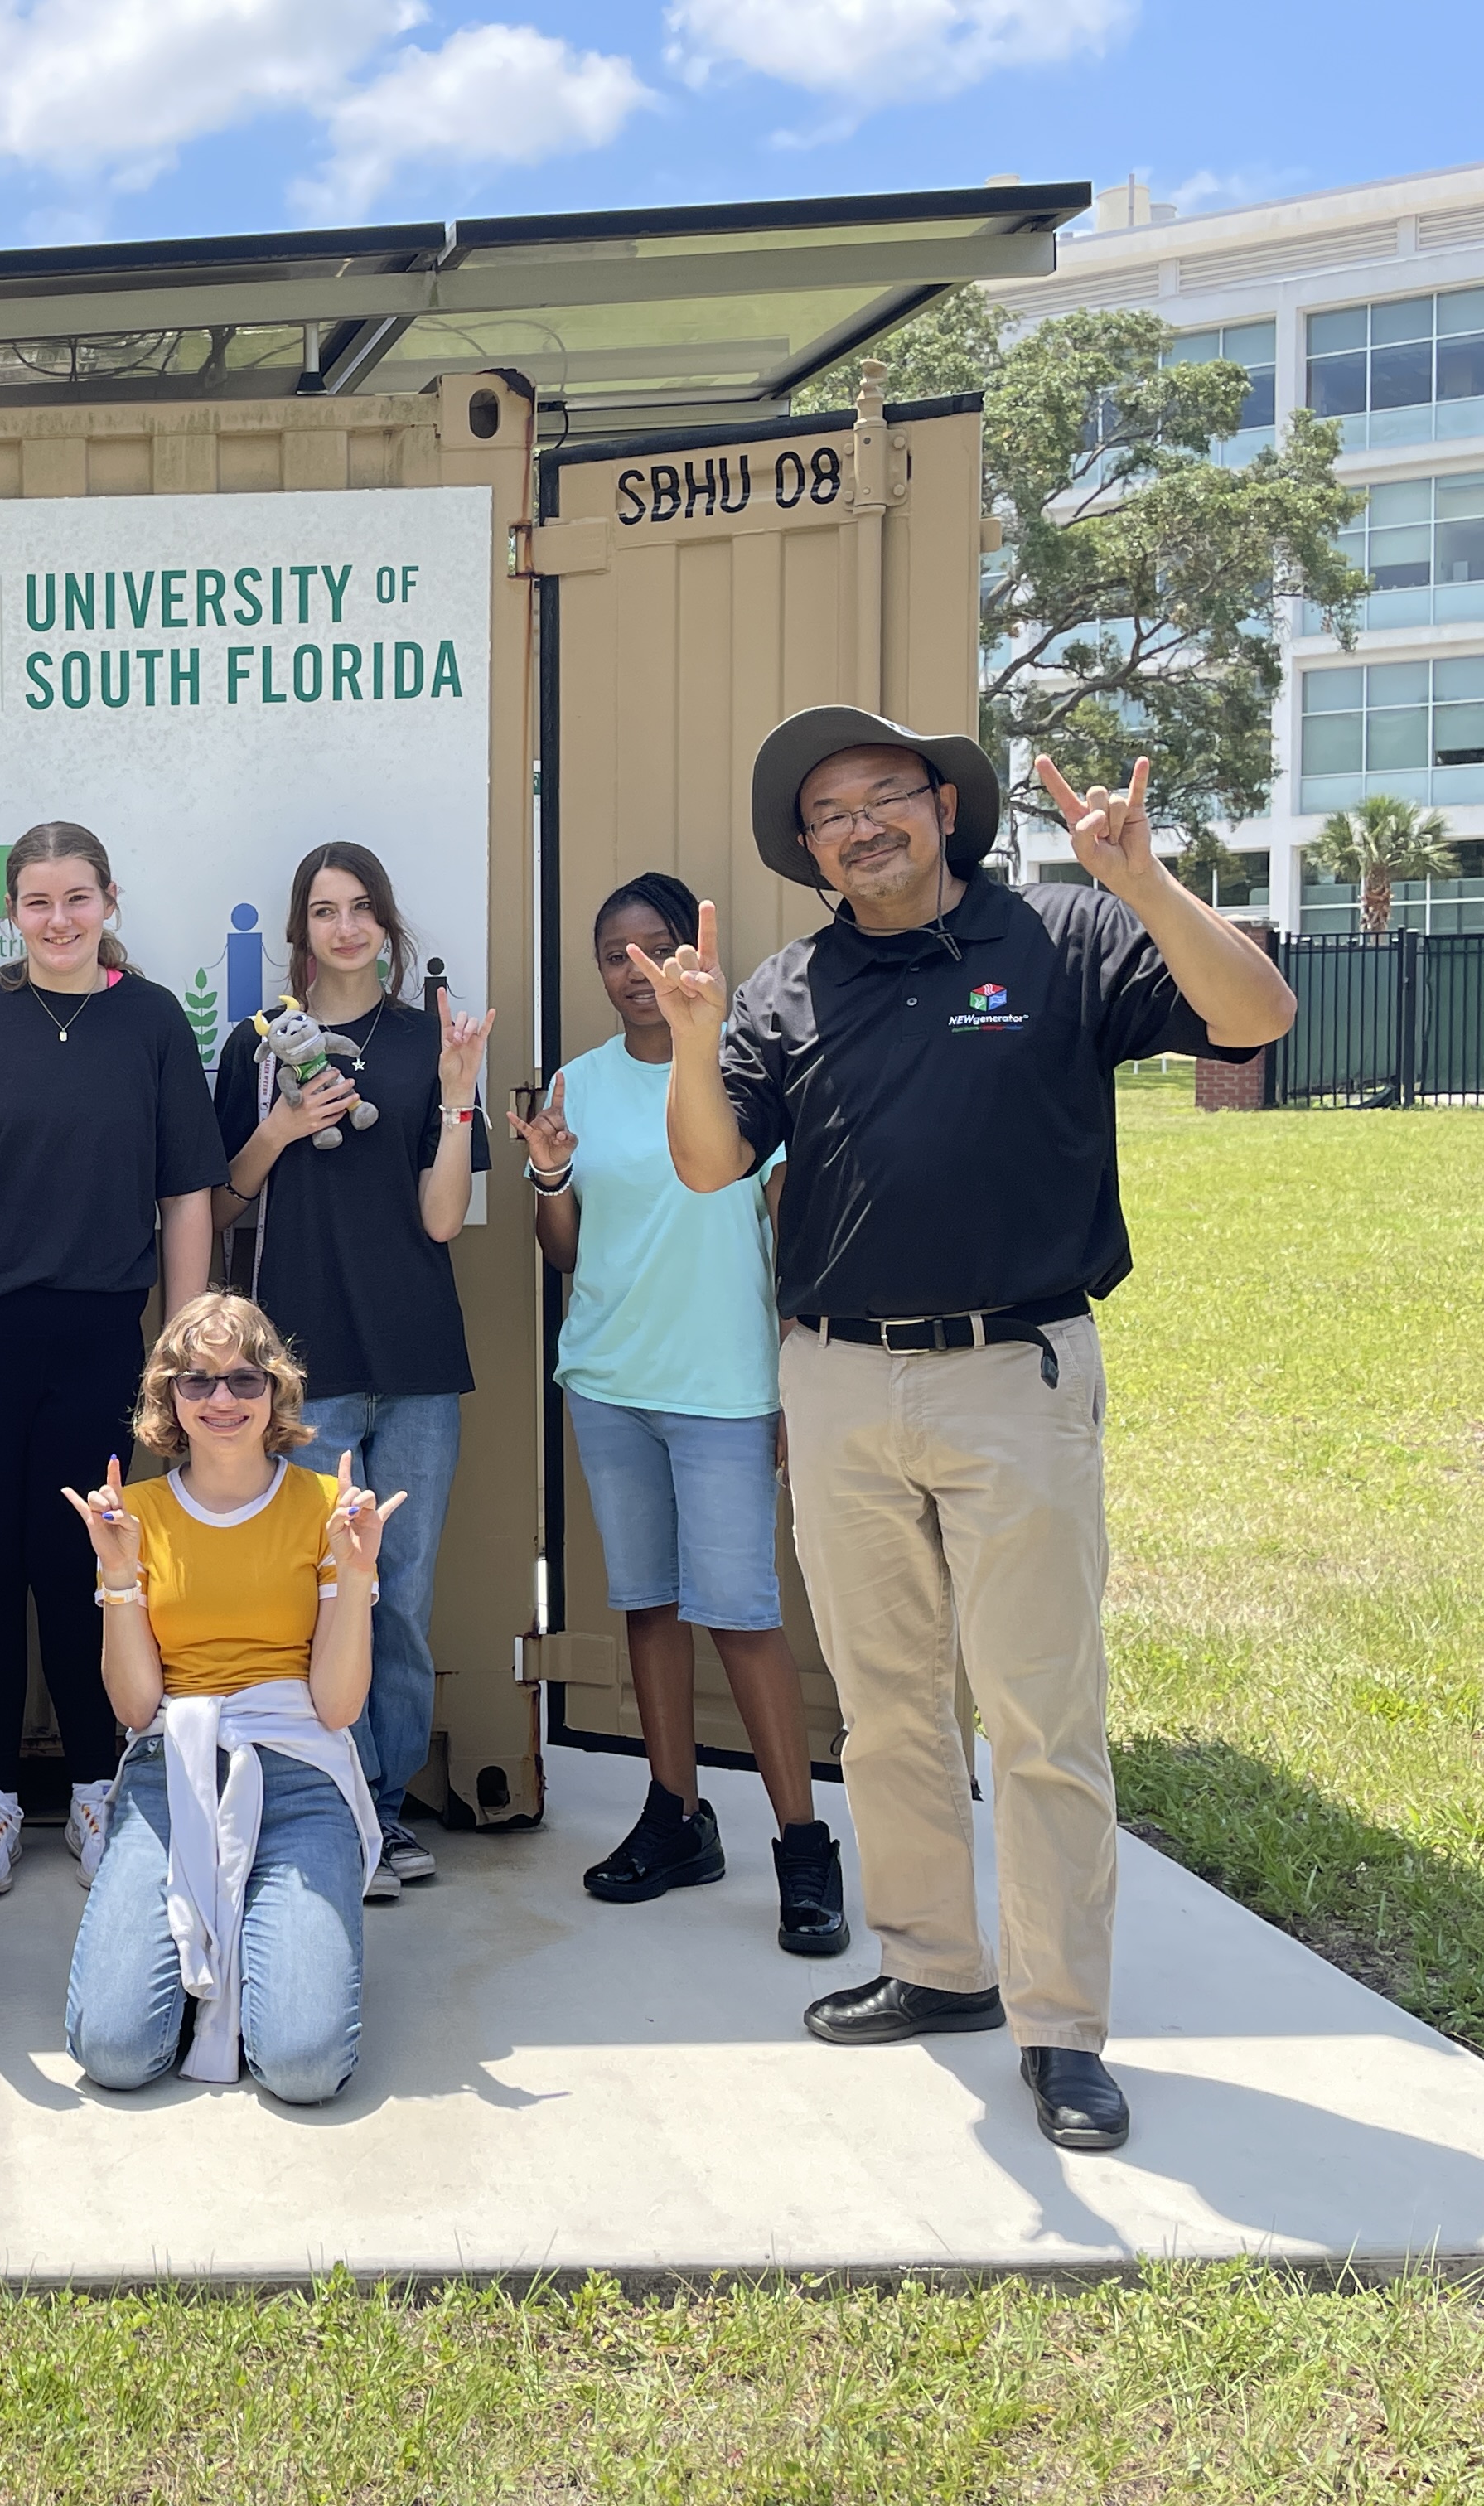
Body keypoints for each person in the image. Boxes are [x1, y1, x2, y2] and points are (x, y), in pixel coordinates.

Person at [638, 708, 1293, 2152]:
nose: (857, 823)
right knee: (884, 1702)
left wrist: (1145, 884)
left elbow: (1254, 1018)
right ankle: (937, 1964)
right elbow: (706, 1162)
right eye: (827, 811)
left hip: (1016, 1374)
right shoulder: (783, 985)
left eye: (882, 795)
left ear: (944, 804)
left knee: (1038, 1712)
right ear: (804, 849)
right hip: (839, 1380)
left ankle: (1060, 2023)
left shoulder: (1062, 936)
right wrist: (693, 1039)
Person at [505, 873, 845, 1956]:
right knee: (648, 1604)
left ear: (695, 955)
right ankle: (677, 1817)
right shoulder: (580, 1083)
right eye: (616, 953)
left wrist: (801, 1385)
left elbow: (793, 1241)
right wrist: (549, 1175)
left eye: (656, 947)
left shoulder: (751, 1075)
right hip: (610, 1383)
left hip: (727, 1390)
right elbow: (565, 1255)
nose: (637, 970)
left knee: (741, 1612)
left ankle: (802, 1844)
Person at [0, 822, 223, 1899]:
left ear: (109, 902)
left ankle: (91, 1788)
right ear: (13, 912)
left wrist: (186, 1340)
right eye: (38, 901)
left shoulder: (152, 1021)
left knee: (85, 1568)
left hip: (96, 1337)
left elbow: (187, 1196)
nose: (60, 919)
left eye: (79, 898)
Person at [210, 842, 491, 1899]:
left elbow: (441, 1218)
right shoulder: (257, 1046)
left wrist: (458, 1097)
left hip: (416, 1360)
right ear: (299, 927)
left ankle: (388, 1800)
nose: (345, 928)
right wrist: (280, 1127)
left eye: (362, 907)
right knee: (323, 1594)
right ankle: (336, 1798)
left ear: (387, 921)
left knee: (401, 1600)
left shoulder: (427, 1044)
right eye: (324, 910)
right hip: (303, 1360)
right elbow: (226, 1202)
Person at [60, 1294, 398, 2105]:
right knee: (111, 2052)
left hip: (297, 1776)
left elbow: (339, 1705)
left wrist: (355, 1577)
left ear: (275, 1391)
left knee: (304, 2069)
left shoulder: (329, 1509)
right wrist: (117, 1576)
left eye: (245, 1380)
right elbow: (138, 1710)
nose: (221, 1400)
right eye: (197, 1380)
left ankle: (250, 1928)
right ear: (167, 1397)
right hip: (169, 1774)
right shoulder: (133, 1515)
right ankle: (223, 1927)